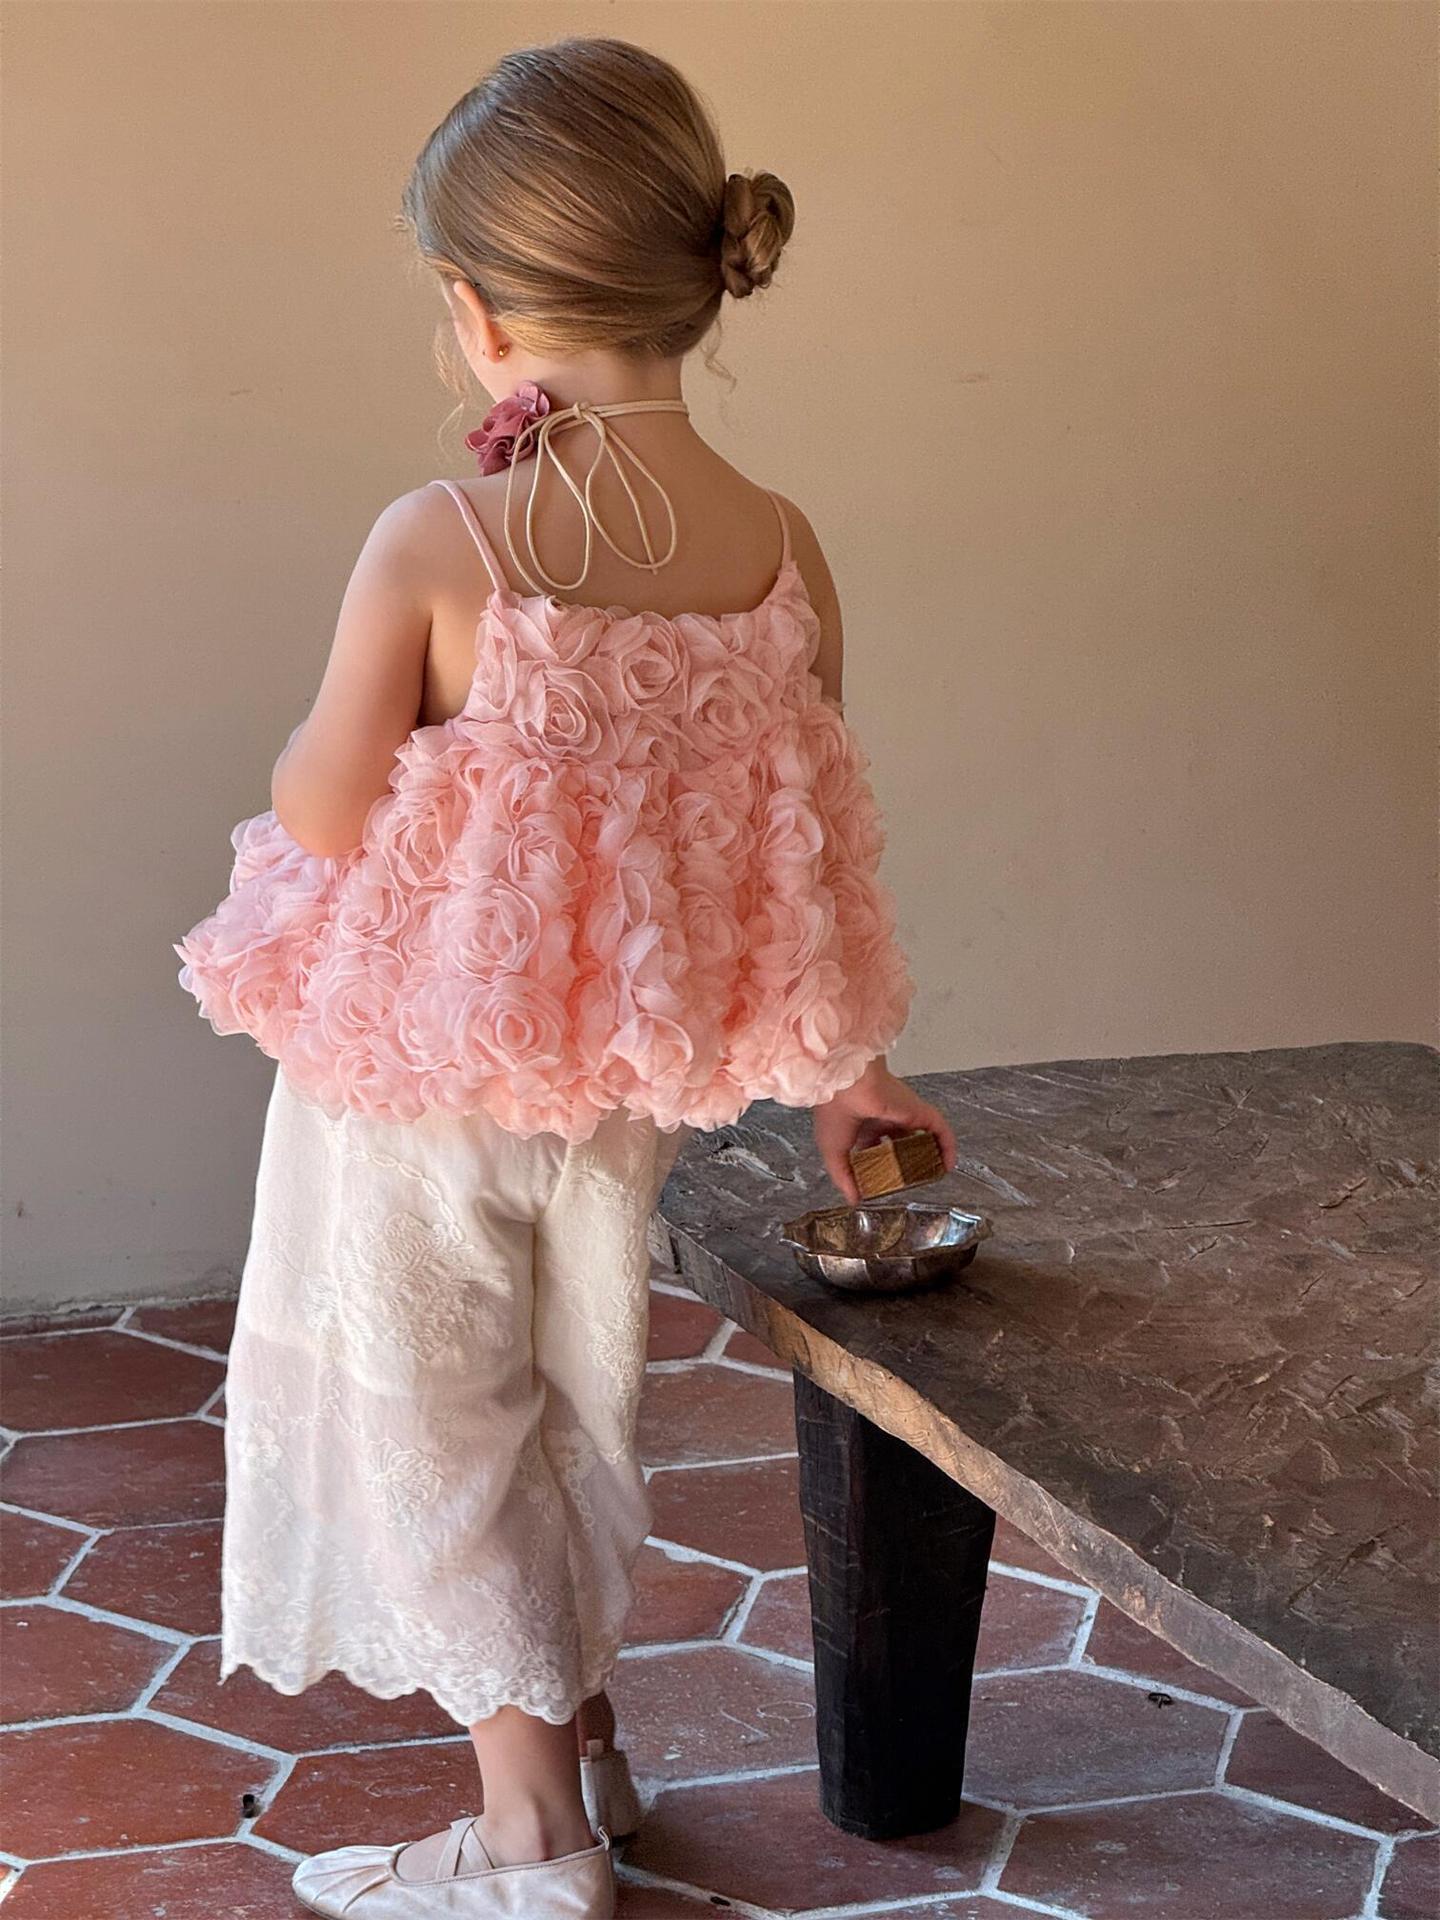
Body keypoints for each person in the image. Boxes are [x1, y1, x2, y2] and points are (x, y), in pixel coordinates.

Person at [173, 33, 955, 1920]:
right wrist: (851, 1075)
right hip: (610, 1107)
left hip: (416, 1099)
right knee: (569, 1401)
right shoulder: (780, 550)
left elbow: (327, 804)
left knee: (434, 1423)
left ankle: (531, 1850)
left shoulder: (442, 539)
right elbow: (810, 846)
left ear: (477, 310)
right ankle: (588, 1750)